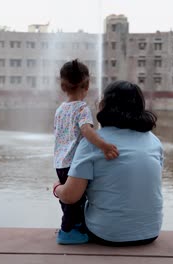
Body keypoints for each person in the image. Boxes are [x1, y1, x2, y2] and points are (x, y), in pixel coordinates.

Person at [53, 80, 163, 246]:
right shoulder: (154, 142)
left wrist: (56, 188)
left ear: (104, 105)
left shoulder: (91, 144)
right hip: (150, 232)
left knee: (76, 202)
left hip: (106, 234)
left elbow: (70, 196)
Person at [54, 59, 119, 245]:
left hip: (60, 162)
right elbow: (87, 131)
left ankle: (70, 227)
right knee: (77, 200)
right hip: (74, 162)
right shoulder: (82, 108)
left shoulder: (60, 110)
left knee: (68, 200)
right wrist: (104, 146)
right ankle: (67, 232)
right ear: (88, 84)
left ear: (62, 85)